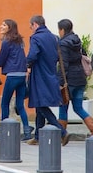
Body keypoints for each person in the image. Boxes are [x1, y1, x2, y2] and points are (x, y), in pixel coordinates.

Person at [56, 18, 93, 143]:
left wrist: (60, 82)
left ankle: (62, 134)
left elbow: (63, 64)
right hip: (80, 77)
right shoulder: (77, 40)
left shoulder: (63, 43)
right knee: (78, 107)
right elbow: (84, 55)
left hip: (69, 79)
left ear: (62, 30)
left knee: (63, 106)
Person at [25, 15, 62, 145]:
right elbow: (58, 56)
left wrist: (26, 64)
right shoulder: (54, 37)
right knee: (39, 103)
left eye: (31, 26)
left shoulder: (36, 38)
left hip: (39, 74)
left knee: (40, 104)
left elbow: (33, 55)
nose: (31, 29)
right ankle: (38, 136)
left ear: (35, 24)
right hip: (51, 74)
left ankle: (61, 130)